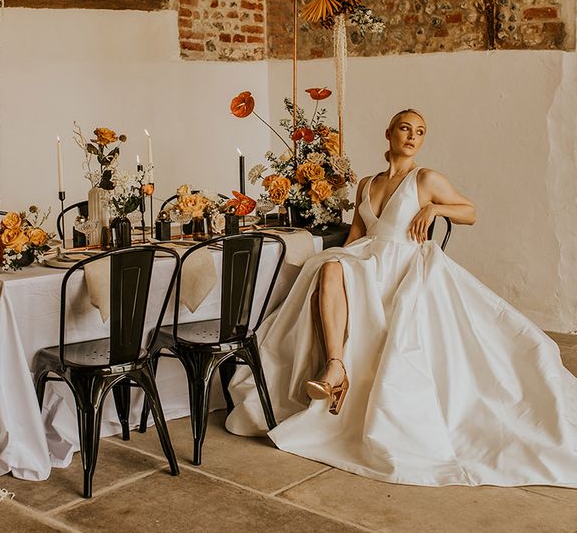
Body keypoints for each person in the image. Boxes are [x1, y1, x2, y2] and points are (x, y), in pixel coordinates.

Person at [225, 109, 577, 487]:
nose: (412, 136)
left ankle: (337, 371)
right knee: (327, 269)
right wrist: (338, 274)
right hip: (368, 264)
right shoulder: (365, 184)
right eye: (405, 129)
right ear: (389, 133)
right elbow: (355, 238)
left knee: (332, 271)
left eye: (420, 132)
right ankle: (335, 366)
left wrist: (435, 207)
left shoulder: (425, 179)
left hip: (405, 269)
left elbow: (470, 212)